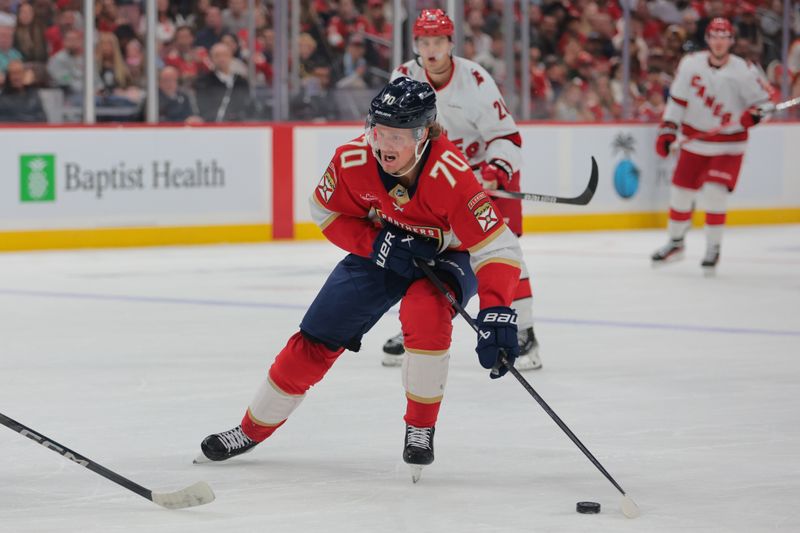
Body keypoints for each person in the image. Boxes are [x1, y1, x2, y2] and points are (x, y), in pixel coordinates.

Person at [196, 77, 523, 480]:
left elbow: (497, 248)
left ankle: (420, 428)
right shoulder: (353, 160)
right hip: (382, 248)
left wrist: (496, 311)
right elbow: (325, 212)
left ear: (423, 135)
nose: (384, 144)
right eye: (378, 130)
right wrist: (376, 244)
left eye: (397, 135)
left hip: (449, 256)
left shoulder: (452, 176)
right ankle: (249, 429)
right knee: (319, 331)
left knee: (425, 313)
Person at [381, 9, 542, 370]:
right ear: (416, 45)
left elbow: (506, 136)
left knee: (502, 251)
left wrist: (495, 171)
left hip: (483, 176)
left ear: (451, 43)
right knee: (423, 252)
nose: (431, 48)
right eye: (424, 41)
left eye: (438, 41)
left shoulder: (475, 79)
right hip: (434, 180)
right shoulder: (404, 76)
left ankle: (525, 332)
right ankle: (415, 328)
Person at [652, 17, 774, 274]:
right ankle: (675, 243)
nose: (719, 42)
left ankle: (713, 248)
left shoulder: (744, 70)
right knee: (680, 194)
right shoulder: (690, 65)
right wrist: (668, 130)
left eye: (724, 36)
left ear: (731, 41)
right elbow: (677, 101)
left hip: (729, 145)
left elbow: (766, 104)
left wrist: (754, 115)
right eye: (714, 36)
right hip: (695, 142)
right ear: (707, 39)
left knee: (714, 193)